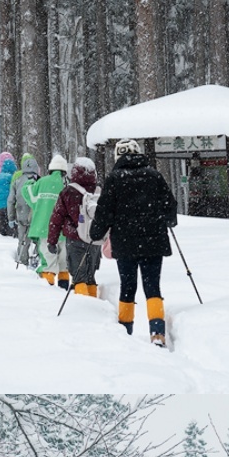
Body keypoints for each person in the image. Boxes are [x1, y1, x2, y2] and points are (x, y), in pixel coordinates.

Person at [89, 137, 178, 346]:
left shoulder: (114, 179)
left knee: (128, 287)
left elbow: (104, 212)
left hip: (125, 242)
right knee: (153, 287)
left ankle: (125, 332)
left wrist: (96, 232)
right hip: (154, 241)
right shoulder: (154, 176)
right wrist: (168, 220)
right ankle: (157, 332)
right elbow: (170, 205)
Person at [48, 157, 102, 296]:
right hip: (94, 239)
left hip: (75, 238)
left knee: (79, 276)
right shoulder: (98, 191)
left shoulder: (68, 192)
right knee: (90, 276)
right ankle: (93, 303)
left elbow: (57, 217)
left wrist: (52, 241)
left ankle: (82, 306)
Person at [24, 154, 69, 283]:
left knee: (48, 262)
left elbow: (28, 193)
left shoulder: (42, 182)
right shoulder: (68, 184)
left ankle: (48, 289)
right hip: (64, 231)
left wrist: (31, 181)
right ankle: (63, 287)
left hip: (44, 229)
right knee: (63, 264)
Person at [7, 153, 41, 266]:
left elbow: (11, 200)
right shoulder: (40, 181)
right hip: (36, 215)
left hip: (21, 214)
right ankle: (38, 258)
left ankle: (22, 262)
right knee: (39, 240)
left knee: (23, 241)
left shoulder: (17, 179)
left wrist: (11, 217)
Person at [0, 152, 18, 237]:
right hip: (8, 204)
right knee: (9, 221)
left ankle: (1, 234)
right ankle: (10, 235)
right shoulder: (11, 177)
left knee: (1, 221)